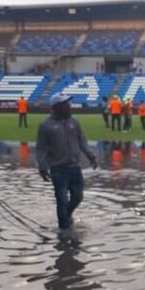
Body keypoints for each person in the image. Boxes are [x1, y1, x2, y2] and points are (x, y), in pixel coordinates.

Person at [36, 93, 97, 232]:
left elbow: (82, 141)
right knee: (62, 201)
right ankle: (64, 231)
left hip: (75, 168)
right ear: (57, 107)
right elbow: (41, 149)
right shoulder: (46, 126)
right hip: (58, 170)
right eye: (66, 105)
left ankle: (67, 216)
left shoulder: (74, 122)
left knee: (78, 197)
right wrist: (42, 166)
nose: (70, 107)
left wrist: (91, 156)